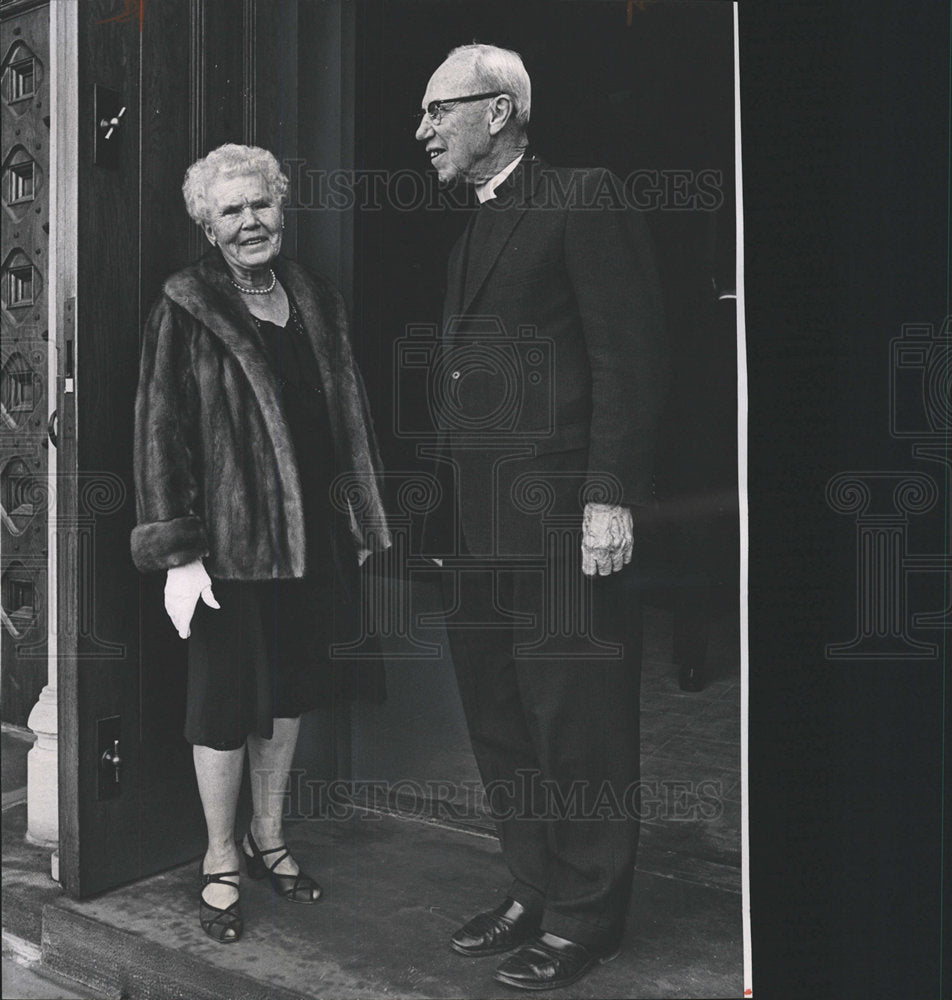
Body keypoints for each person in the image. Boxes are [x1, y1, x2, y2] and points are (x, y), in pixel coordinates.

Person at [414, 45, 667, 990]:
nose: (423, 131)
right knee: (504, 717)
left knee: (579, 722)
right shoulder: (467, 229)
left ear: (501, 111)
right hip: (479, 533)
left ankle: (586, 916)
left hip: (565, 519)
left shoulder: (584, 196)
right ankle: (533, 884)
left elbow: (629, 358)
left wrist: (610, 497)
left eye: (438, 112)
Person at [130, 143, 389, 944]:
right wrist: (179, 550)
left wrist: (361, 513)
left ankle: (269, 836)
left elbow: (350, 415)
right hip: (229, 547)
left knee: (290, 693)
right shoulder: (184, 304)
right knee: (224, 702)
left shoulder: (315, 296)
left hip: (313, 535)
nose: (251, 222)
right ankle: (219, 858)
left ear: (283, 208)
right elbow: (159, 432)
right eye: (231, 210)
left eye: (261, 204)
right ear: (208, 225)